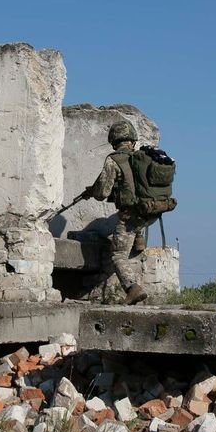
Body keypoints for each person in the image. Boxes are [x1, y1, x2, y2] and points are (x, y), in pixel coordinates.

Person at [82, 120, 155, 305]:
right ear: (132, 139)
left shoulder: (114, 160)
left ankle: (132, 288)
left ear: (114, 140)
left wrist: (93, 192)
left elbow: (102, 193)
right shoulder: (142, 158)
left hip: (130, 215)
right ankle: (139, 240)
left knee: (117, 255)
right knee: (134, 225)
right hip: (150, 211)